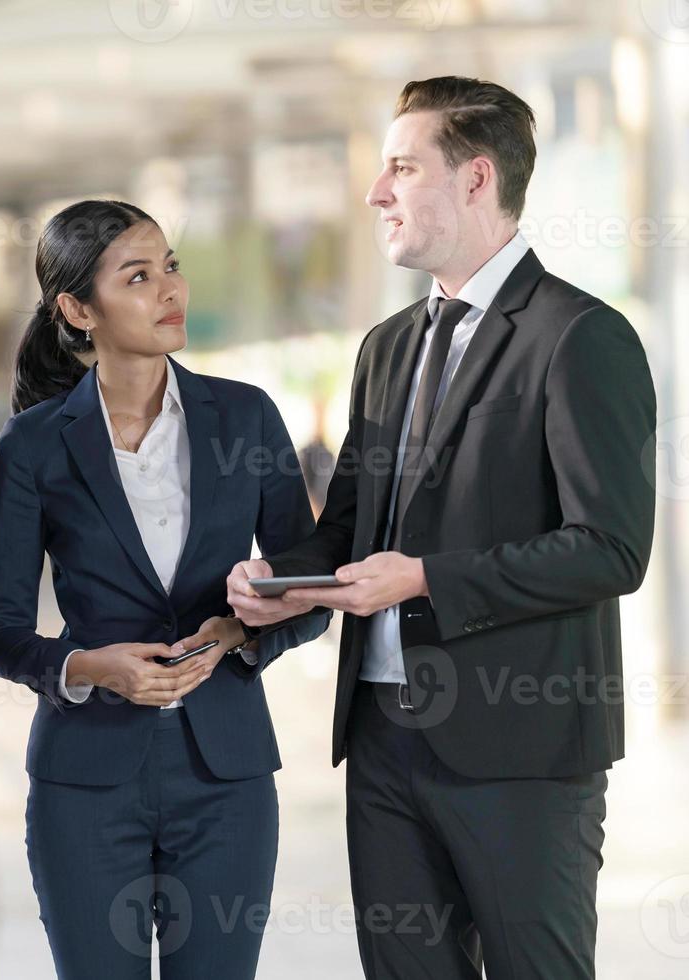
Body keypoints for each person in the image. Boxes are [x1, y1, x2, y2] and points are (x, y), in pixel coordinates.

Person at [228, 77, 656, 979]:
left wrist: (425, 579)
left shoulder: (579, 335)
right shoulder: (386, 347)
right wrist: (275, 583)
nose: (376, 192)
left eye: (400, 167)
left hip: (522, 754)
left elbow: (610, 547)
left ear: (474, 179)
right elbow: (349, 530)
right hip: (383, 741)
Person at [0, 199, 330, 979]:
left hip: (225, 778)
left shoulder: (246, 417)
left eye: (170, 266)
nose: (170, 290)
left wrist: (242, 631)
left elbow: (309, 587)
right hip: (86, 785)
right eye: (138, 276)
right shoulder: (36, 444)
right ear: (78, 309)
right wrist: (91, 666)